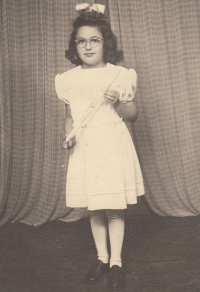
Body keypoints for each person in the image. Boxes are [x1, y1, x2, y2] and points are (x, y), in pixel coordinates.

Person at [55, 3, 144, 289]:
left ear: (106, 43)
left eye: (95, 40)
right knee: (95, 207)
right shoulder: (68, 80)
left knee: (114, 207)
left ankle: (116, 261)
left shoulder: (119, 75)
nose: (88, 47)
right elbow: (70, 119)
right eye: (82, 41)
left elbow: (133, 116)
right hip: (87, 147)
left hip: (112, 145)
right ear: (75, 46)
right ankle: (102, 258)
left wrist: (117, 102)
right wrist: (69, 135)